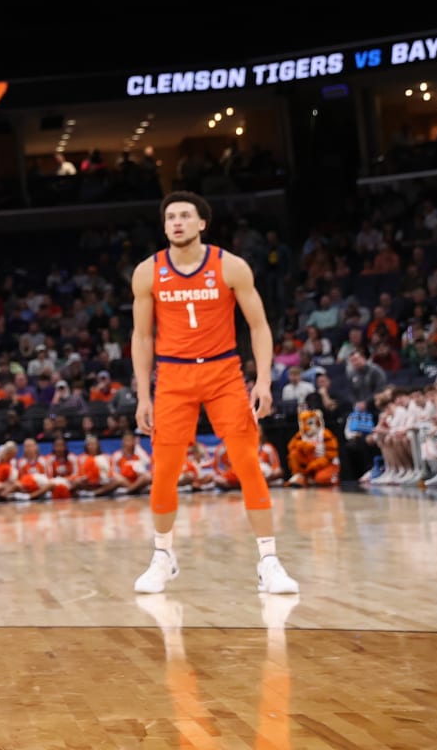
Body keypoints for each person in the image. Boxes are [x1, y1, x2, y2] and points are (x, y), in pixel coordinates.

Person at [132, 193, 298, 595]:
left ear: (202, 223)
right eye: (170, 216)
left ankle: (269, 560)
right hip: (172, 376)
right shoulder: (148, 272)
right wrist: (143, 395)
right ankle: (163, 556)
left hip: (224, 372)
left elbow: (259, 327)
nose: (177, 222)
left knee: (247, 463)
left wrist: (262, 381)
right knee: (165, 471)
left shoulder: (230, 266)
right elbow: (142, 335)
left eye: (185, 215)